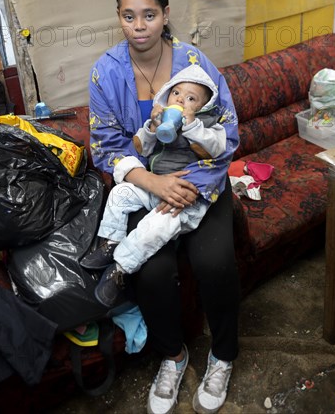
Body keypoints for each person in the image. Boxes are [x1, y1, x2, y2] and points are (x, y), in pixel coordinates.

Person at [87, 0, 240, 414]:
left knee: (215, 263)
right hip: (146, 182)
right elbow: (105, 148)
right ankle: (173, 358)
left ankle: (223, 355)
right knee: (152, 273)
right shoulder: (106, 72)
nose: (139, 25)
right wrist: (154, 184)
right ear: (119, 18)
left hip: (202, 181)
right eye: (129, 16)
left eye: (149, 15)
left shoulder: (195, 63)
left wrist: (189, 184)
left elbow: (227, 134)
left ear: (165, 16)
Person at [82, 64, 227, 309]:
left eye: (191, 99)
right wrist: (151, 128)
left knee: (154, 226)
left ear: (202, 107)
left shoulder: (209, 125)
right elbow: (141, 148)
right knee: (120, 193)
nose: (181, 101)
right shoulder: (161, 123)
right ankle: (111, 242)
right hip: (155, 186)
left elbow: (216, 149)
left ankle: (119, 270)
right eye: (176, 94)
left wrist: (192, 125)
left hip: (182, 201)